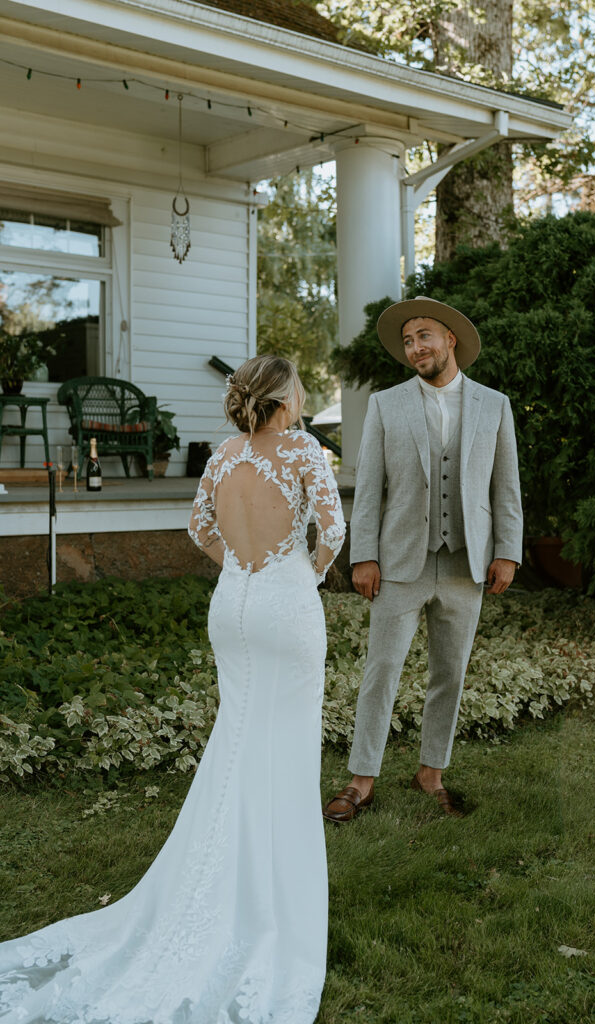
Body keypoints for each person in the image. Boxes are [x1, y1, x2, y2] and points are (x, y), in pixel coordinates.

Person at [0, 354, 345, 1023]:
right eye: (299, 384)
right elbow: (330, 531)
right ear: (282, 396)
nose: (303, 393)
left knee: (238, 737)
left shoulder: (221, 456)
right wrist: (303, 571)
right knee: (284, 747)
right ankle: (266, 894)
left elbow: (198, 530)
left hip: (233, 604)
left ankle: (221, 878)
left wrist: (242, 569)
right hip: (284, 606)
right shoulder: (303, 450)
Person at [323, 296, 522, 822]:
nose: (416, 348)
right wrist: (363, 555)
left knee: (450, 673)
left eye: (425, 337)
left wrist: (508, 552)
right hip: (401, 561)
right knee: (381, 669)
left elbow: (506, 488)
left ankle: (430, 772)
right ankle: (361, 780)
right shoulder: (388, 406)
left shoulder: (493, 405)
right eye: (409, 341)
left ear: (450, 339)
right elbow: (368, 490)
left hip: (466, 563)